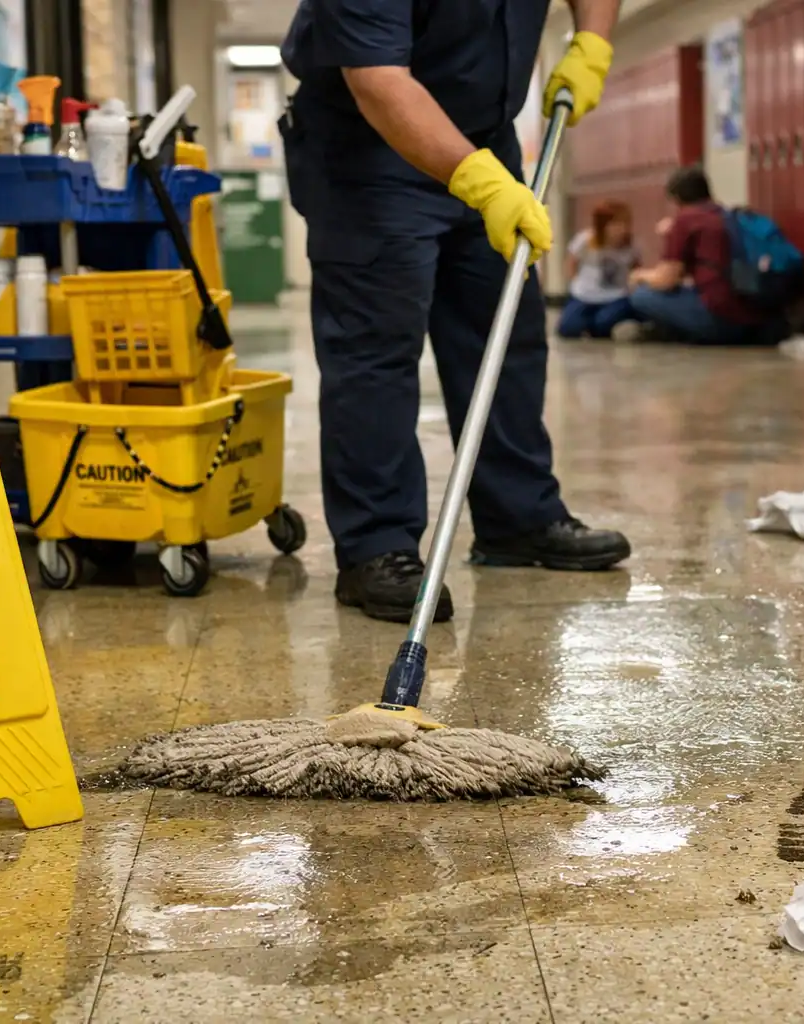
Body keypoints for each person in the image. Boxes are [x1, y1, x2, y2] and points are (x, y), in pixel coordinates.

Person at [280, 0, 632, 624]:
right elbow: (378, 79)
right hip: (367, 145)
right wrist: (479, 182)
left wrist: (593, 42)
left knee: (504, 330)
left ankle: (517, 518)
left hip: (486, 136)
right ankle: (376, 547)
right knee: (377, 349)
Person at [625, 165, 770, 344]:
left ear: (677, 198)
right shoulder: (727, 215)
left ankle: (676, 333)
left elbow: (665, 279)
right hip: (753, 318)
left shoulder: (686, 220)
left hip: (720, 320)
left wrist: (638, 275)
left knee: (642, 295)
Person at [557, 199, 640, 339]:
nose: (620, 229)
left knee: (603, 325)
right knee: (568, 329)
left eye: (624, 224)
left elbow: (637, 268)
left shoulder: (631, 246)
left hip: (616, 296)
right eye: (614, 224)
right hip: (584, 295)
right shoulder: (585, 240)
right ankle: (585, 322)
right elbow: (571, 262)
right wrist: (575, 282)